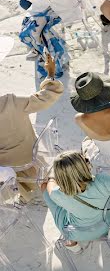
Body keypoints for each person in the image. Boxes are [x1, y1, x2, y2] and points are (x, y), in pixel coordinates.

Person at [41, 150, 110, 253]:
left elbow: (49, 186)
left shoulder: (57, 194)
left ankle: (72, 245)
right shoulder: (102, 181)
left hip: (76, 233)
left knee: (46, 191)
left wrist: (52, 177)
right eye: (85, 160)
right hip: (106, 224)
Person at [0, 53, 63, 194]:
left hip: (5, 167)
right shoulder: (11, 102)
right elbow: (47, 96)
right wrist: (50, 73)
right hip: (27, 156)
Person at [17, 0, 78, 77]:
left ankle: (57, 63)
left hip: (60, 6)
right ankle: (45, 57)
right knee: (28, 32)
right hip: (41, 8)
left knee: (46, 31)